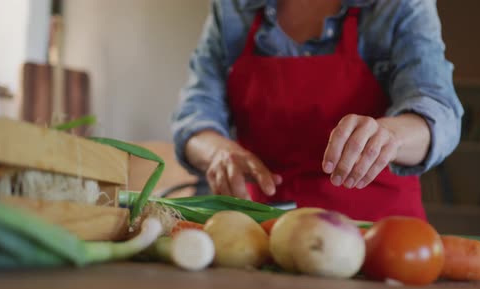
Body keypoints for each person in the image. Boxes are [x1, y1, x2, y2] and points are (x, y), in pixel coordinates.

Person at [172, 0, 463, 222]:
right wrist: (217, 152)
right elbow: (194, 114)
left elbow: (438, 109)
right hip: (260, 231)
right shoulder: (234, 7)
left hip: (378, 238)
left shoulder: (398, 6)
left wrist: (390, 136)